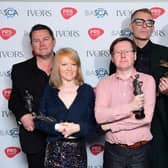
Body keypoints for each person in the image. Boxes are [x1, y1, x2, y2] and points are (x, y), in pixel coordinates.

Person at [109, 8, 168, 168]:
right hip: (128, 120)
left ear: (153, 27)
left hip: (159, 120)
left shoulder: (165, 53)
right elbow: (113, 88)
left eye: (149, 22)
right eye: (139, 21)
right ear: (131, 26)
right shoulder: (121, 53)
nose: (144, 26)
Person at [95, 37, 156, 168]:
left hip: (141, 151)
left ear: (134, 55)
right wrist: (131, 107)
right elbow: (100, 117)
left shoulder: (148, 80)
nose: (123, 55)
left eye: (127, 51)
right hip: (113, 152)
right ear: (112, 58)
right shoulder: (103, 84)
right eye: (118, 52)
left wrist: (111, 126)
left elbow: (145, 118)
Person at [34, 47, 96, 168]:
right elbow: (39, 120)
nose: (69, 69)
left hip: (77, 153)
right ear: (57, 67)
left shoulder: (87, 91)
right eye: (64, 64)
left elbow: (94, 124)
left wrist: (78, 127)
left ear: (78, 67)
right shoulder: (49, 91)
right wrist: (57, 127)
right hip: (53, 152)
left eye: (73, 64)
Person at [8, 24, 56, 168]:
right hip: (34, 138)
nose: (42, 44)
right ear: (31, 45)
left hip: (64, 137)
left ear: (54, 41)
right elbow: (14, 100)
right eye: (36, 40)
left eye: (45, 39)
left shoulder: (68, 64)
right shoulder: (19, 70)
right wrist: (23, 115)